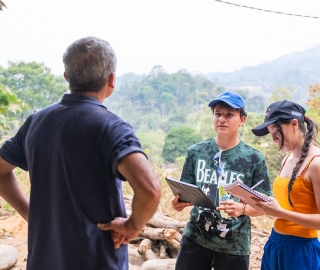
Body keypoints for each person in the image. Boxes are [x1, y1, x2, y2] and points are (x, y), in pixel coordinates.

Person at [0, 36, 161, 270]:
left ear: (67, 76)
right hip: (98, 261)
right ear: (111, 79)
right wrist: (131, 227)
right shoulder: (112, 128)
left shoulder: (36, 122)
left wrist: (30, 213)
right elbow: (150, 189)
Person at [171, 91, 272, 270]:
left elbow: (265, 206)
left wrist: (242, 209)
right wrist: (178, 203)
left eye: (229, 114)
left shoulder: (254, 158)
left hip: (234, 246)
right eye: (218, 114)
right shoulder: (196, 152)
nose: (222, 119)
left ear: (242, 120)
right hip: (195, 239)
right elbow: (183, 194)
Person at [252, 100, 320, 270]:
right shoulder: (286, 160)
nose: (274, 139)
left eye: (276, 132)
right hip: (275, 245)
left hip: (301, 251)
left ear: (294, 124)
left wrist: (281, 213)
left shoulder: (316, 163)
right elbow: (290, 205)